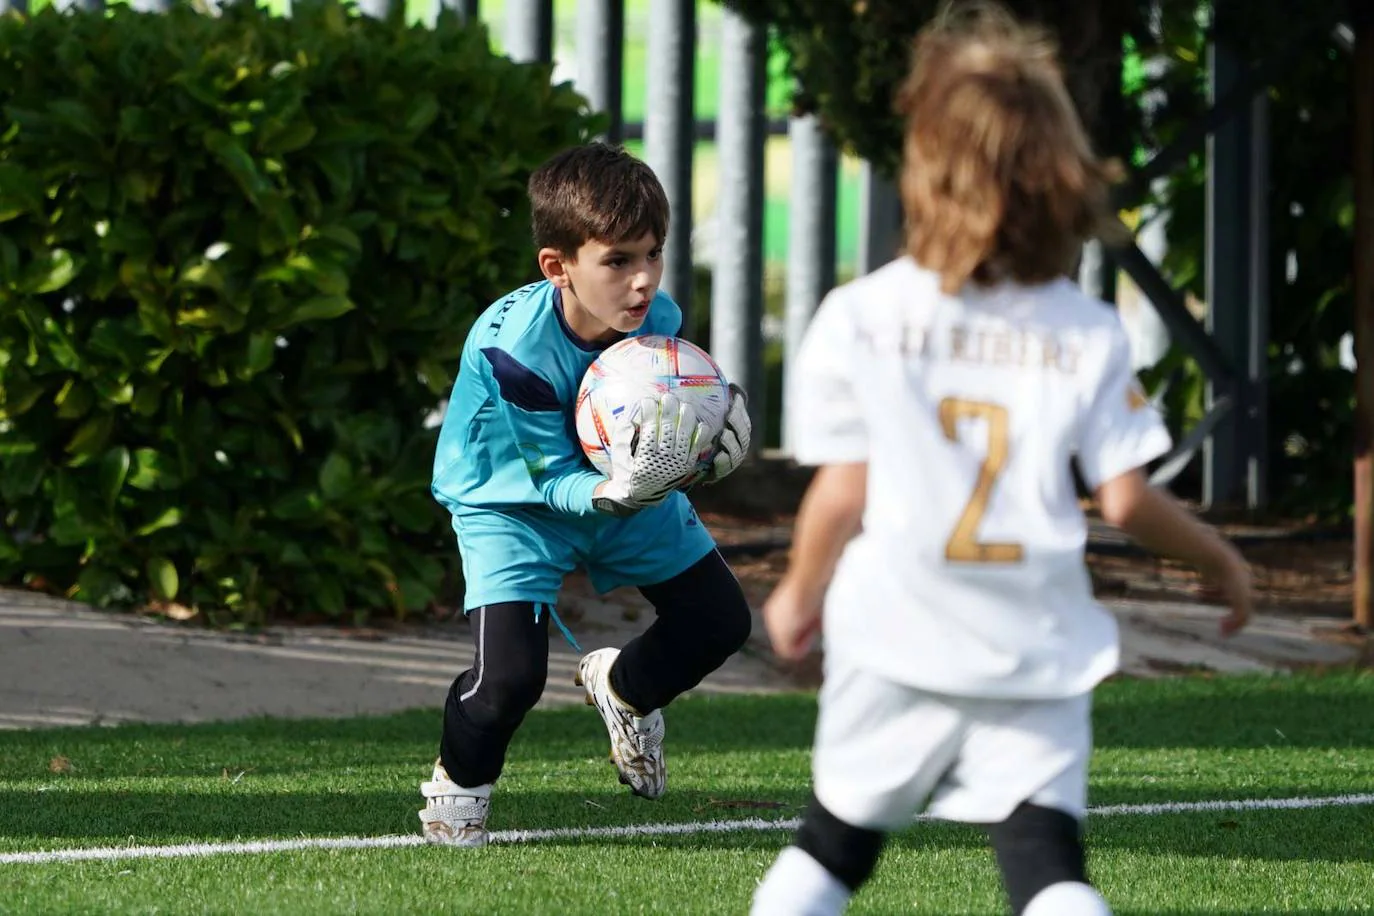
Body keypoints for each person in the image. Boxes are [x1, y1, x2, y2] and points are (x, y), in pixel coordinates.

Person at [750, 5, 1254, 915]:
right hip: (1033, 638)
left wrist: (797, 592)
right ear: (1062, 175)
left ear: (923, 169)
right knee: (1044, 860)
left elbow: (845, 489)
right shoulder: (1086, 332)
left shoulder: (862, 316)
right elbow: (1128, 498)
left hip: (895, 631)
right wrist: (1217, 558)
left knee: (832, 847)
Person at [419, 141, 754, 847]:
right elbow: (552, 477)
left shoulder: (657, 319)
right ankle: (458, 791)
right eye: (619, 261)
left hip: (623, 486)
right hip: (512, 505)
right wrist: (621, 489)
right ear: (558, 266)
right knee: (509, 680)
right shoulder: (512, 350)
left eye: (653, 254)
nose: (643, 282)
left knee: (720, 621)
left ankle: (628, 690)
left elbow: (661, 422)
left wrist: (713, 438)